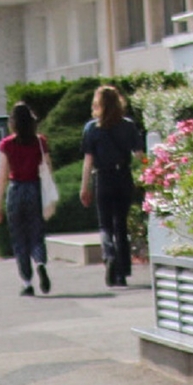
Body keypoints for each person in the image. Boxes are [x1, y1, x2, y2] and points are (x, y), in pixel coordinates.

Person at [80, 84, 147, 289]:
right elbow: (139, 155)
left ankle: (109, 255)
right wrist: (152, 171)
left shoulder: (92, 128)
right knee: (121, 224)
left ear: (98, 104)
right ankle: (123, 271)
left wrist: (85, 186)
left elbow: (88, 161)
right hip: (123, 176)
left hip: (103, 178)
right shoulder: (127, 125)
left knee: (105, 224)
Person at [0, 102, 51, 296]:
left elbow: (3, 174)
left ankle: (27, 282)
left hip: (16, 189)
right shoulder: (39, 141)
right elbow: (48, 168)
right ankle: (41, 262)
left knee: (19, 238)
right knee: (36, 232)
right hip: (34, 188)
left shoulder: (7, 144)